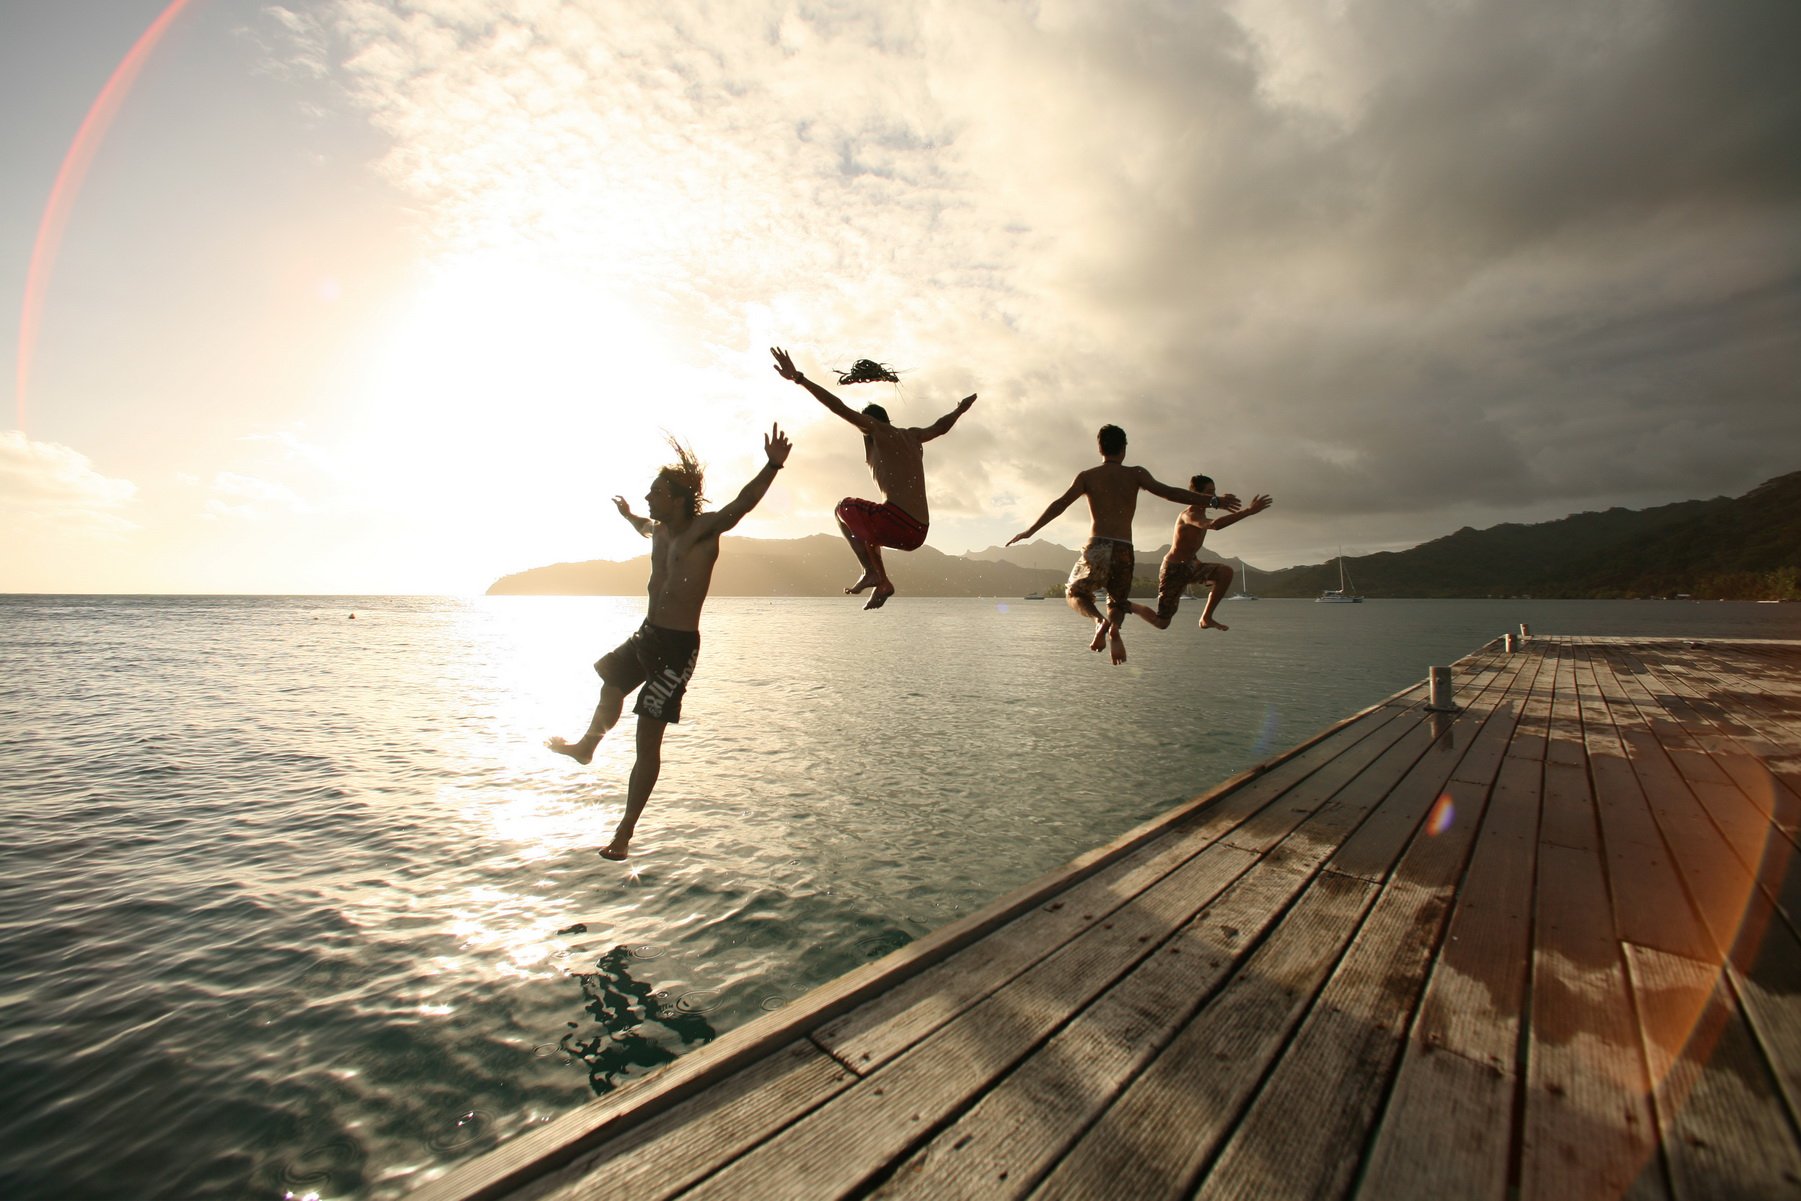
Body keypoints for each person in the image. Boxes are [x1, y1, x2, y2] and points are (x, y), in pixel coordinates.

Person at [547, 425, 793, 860]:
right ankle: (587, 747)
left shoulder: (703, 531)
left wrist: (772, 465)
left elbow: (743, 503)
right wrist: (627, 515)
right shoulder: (657, 531)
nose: (648, 497)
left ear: (677, 499)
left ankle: (624, 834)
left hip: (677, 648)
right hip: (647, 633)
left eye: (656, 492)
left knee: (647, 739)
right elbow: (642, 525)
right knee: (611, 683)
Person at [1007, 424, 1237, 665]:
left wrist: (1030, 530)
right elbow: (1171, 493)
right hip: (1124, 548)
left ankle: (1099, 621)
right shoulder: (1136, 474)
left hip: (1098, 545)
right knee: (1117, 601)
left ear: (1100, 448)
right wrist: (1213, 501)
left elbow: (1060, 504)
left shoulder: (1088, 476)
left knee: (1075, 592)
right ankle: (1114, 627)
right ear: (1124, 448)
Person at [769, 346, 974, 609]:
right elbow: (940, 427)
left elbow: (838, 407)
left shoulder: (874, 429)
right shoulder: (912, 436)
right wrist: (960, 410)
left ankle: (872, 572)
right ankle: (882, 582)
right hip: (919, 532)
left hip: (897, 521)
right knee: (867, 527)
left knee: (843, 508)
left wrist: (799, 378)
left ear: (868, 423)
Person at [1130, 477, 1273, 633]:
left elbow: (1191, 545)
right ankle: (1128, 605)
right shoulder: (1189, 515)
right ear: (1196, 494)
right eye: (1209, 492)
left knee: (1225, 572)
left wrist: (1222, 504)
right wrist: (1248, 511)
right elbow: (1214, 525)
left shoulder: (1202, 513)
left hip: (1191, 565)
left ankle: (1206, 618)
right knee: (1162, 622)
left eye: (1214, 492)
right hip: (1173, 570)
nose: (1213, 496)